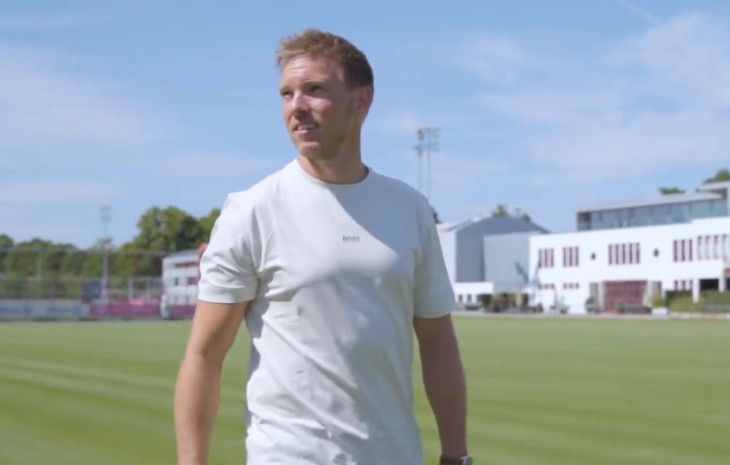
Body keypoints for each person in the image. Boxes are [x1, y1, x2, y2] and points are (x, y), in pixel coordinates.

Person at [174, 28, 471, 465]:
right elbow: (204, 356)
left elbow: (438, 342)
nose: (296, 106)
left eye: (314, 90)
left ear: (361, 101)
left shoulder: (409, 208)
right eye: (287, 93)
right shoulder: (251, 211)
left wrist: (456, 455)